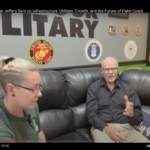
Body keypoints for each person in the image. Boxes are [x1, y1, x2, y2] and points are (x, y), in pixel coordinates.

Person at [86, 56, 149, 143]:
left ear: (118, 70)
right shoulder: (93, 89)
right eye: (107, 69)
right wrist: (107, 129)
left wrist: (132, 115)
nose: (110, 72)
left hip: (126, 128)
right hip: (102, 129)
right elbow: (91, 115)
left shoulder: (128, 89)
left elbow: (138, 118)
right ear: (102, 71)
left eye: (114, 69)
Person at [0, 56, 46, 142]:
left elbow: (39, 133)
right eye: (33, 89)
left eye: (39, 87)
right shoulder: (2, 129)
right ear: (11, 89)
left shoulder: (32, 105)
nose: (39, 94)